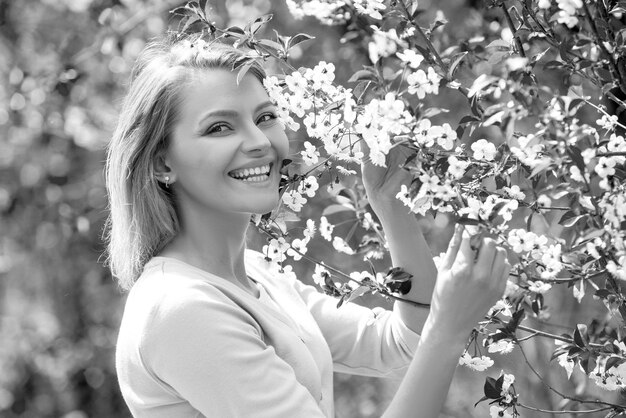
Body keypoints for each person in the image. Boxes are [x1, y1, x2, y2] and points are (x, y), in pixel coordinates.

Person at [105, 33, 511, 418]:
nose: (260, 142)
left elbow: (402, 341)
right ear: (162, 163)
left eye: (265, 117)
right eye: (219, 127)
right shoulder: (182, 309)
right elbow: (431, 337)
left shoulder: (256, 276)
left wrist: (391, 207)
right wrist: (449, 330)